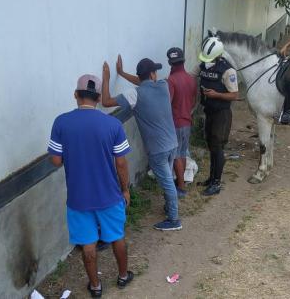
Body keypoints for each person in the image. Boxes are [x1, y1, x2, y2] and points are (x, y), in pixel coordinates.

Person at [48, 74, 134, 297]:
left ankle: (95, 286)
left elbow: (56, 160)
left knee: (88, 244)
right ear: (97, 98)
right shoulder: (113, 124)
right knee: (117, 236)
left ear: (76, 95)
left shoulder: (61, 122)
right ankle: (123, 276)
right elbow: (122, 163)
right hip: (110, 195)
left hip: (78, 198)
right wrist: (124, 189)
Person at [101, 56, 182, 231]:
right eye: (155, 72)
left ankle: (174, 219)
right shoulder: (163, 86)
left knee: (167, 182)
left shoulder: (134, 94)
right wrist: (121, 73)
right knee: (167, 179)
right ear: (152, 75)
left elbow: (106, 101)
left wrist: (107, 78)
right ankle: (170, 208)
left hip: (157, 149)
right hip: (172, 142)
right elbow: (142, 82)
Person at [196, 37, 239, 196]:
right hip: (209, 111)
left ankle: (216, 183)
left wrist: (217, 94)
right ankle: (211, 177)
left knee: (218, 147)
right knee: (211, 144)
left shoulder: (228, 71)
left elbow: (234, 95)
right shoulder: (203, 65)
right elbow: (192, 75)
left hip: (222, 113)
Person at [166, 47, 197, 198]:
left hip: (175, 122)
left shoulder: (171, 80)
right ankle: (181, 181)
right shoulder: (191, 79)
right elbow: (194, 102)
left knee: (176, 155)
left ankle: (181, 186)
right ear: (183, 61)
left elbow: (167, 103)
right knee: (183, 153)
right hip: (187, 121)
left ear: (170, 63)